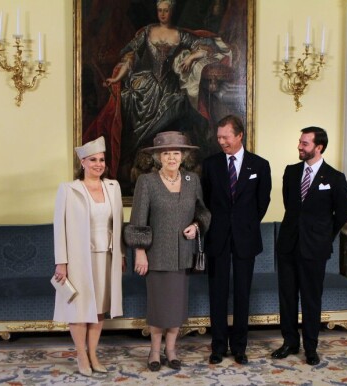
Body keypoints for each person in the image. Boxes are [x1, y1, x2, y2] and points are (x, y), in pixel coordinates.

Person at [97, 0, 231, 191]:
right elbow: (129, 56)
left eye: (166, 11)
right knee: (129, 96)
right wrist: (116, 77)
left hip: (170, 83)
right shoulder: (147, 32)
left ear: (171, 12)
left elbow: (204, 47)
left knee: (178, 101)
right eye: (159, 10)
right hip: (147, 82)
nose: (162, 14)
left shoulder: (180, 34)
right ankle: (133, 152)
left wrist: (191, 57)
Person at [124, 131, 210, 372]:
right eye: (166, 153)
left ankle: (171, 350)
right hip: (156, 255)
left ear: (183, 156)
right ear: (158, 157)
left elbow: (203, 212)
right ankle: (154, 350)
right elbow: (138, 220)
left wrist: (196, 226)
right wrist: (140, 252)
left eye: (176, 153)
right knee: (158, 307)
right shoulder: (147, 182)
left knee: (177, 307)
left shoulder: (193, 180)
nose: (171, 158)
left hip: (184, 254)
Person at [272, 126, 347, 366]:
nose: (299, 146)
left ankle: (311, 347)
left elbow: (342, 214)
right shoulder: (291, 172)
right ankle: (289, 343)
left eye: (305, 143)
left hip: (315, 249)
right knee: (287, 297)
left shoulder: (335, 178)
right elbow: (290, 206)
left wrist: (323, 236)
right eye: (300, 142)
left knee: (311, 299)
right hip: (288, 245)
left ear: (319, 147)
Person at [201, 115, 272, 365]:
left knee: (243, 293)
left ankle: (240, 347)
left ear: (239, 135)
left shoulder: (260, 166)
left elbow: (263, 203)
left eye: (226, 137)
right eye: (219, 137)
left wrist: (246, 224)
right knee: (217, 294)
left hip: (246, 238)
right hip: (217, 238)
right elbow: (206, 201)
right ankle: (218, 346)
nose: (221, 142)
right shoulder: (210, 165)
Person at [52, 136, 125, 377]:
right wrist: (61, 262)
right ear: (82, 162)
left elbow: (118, 225)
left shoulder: (113, 187)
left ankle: (93, 353)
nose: (98, 164)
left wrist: (121, 254)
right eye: (93, 160)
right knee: (80, 308)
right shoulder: (68, 189)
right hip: (78, 259)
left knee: (99, 309)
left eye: (102, 160)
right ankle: (81, 355)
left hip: (107, 256)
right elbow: (59, 228)